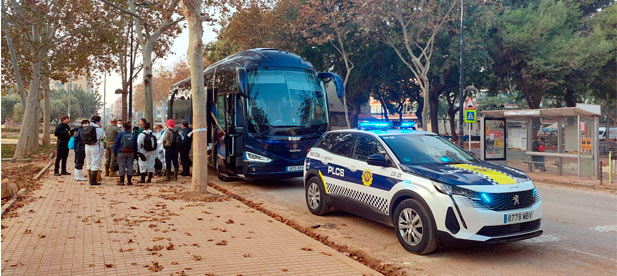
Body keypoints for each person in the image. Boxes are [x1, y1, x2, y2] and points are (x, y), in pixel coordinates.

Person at [83, 115, 106, 185]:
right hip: (95, 146)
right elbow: (103, 138)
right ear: (98, 121)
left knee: (89, 162)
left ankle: (90, 179)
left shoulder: (86, 127)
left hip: (87, 146)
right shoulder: (99, 129)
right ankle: (93, 181)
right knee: (95, 163)